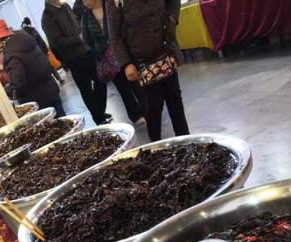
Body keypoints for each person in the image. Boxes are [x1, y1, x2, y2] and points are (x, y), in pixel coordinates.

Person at [107, 0, 190, 141]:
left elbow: (174, 2)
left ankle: (186, 141)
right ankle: (155, 146)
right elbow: (115, 35)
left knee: (175, 100)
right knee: (153, 107)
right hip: (141, 61)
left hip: (165, 49)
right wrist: (126, 63)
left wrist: (171, 19)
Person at [42, 0, 110, 125]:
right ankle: (99, 118)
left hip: (87, 50)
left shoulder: (65, 6)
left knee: (101, 79)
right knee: (85, 88)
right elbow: (57, 42)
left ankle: (99, 111)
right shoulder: (47, 17)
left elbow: (77, 23)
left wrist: (84, 34)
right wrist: (77, 39)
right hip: (73, 57)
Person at [80, 0, 145, 126]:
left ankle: (147, 109)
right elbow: (87, 40)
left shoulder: (110, 6)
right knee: (123, 89)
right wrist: (99, 54)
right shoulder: (86, 17)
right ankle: (136, 115)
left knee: (136, 83)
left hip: (122, 52)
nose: (84, 2)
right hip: (107, 60)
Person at [0, 19, 66, 117]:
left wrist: (4, 91)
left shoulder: (10, 52)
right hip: (51, 89)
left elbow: (18, 84)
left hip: (36, 99)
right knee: (62, 119)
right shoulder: (23, 38)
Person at [20, 17, 64, 84]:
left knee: (44, 68)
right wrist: (46, 50)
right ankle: (58, 79)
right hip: (40, 52)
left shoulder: (23, 32)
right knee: (49, 66)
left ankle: (54, 81)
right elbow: (40, 40)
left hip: (35, 54)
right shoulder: (31, 30)